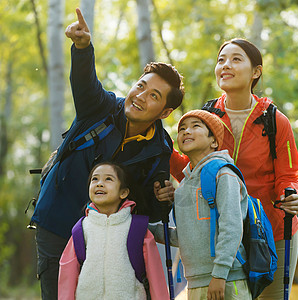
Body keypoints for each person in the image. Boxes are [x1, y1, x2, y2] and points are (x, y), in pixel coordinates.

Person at [30, 8, 184, 299]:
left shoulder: (160, 149)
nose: (140, 96)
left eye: (153, 95)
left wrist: (164, 199)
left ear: (165, 112)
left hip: (109, 240)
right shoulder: (101, 108)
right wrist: (82, 47)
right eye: (141, 86)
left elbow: (148, 209)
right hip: (58, 221)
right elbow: (85, 84)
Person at [169, 38, 298, 299]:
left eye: (236, 59)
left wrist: (291, 193)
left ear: (256, 72)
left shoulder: (275, 120)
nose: (225, 65)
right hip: (218, 234)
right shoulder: (208, 116)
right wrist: (163, 150)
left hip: (270, 232)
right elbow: (193, 170)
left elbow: (288, 174)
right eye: (221, 60)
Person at [151, 110, 252, 300]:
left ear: (214, 141)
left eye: (195, 126)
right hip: (195, 281)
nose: (186, 131)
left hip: (227, 279)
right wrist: (144, 229)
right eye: (182, 129)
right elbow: (184, 236)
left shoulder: (223, 174)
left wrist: (220, 274)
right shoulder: (182, 188)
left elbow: (232, 227)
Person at [58, 162, 169, 299]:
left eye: (108, 179)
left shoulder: (137, 228)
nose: (99, 183)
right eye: (95, 179)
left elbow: (155, 275)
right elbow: (67, 275)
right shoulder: (80, 230)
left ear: (123, 192)